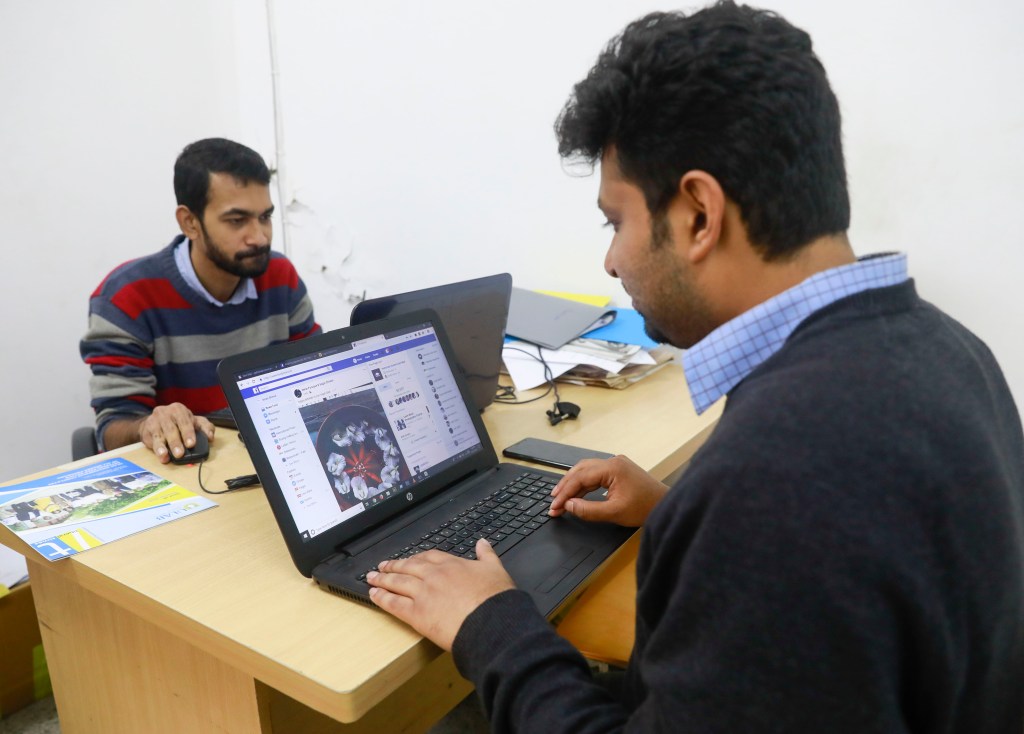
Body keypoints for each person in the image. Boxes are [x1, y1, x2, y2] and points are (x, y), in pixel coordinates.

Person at [366, 3, 1024, 731]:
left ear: (700, 215)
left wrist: (492, 625)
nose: (610, 260)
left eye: (617, 221)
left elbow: (788, 518)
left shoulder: (774, 481)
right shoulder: (952, 351)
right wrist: (680, 515)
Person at [81, 138, 320, 462]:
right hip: (182, 470)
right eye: (237, 220)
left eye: (265, 217)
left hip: (267, 462)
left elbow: (315, 375)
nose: (260, 237)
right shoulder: (125, 297)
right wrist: (147, 426)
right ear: (190, 222)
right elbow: (112, 429)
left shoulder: (280, 276)